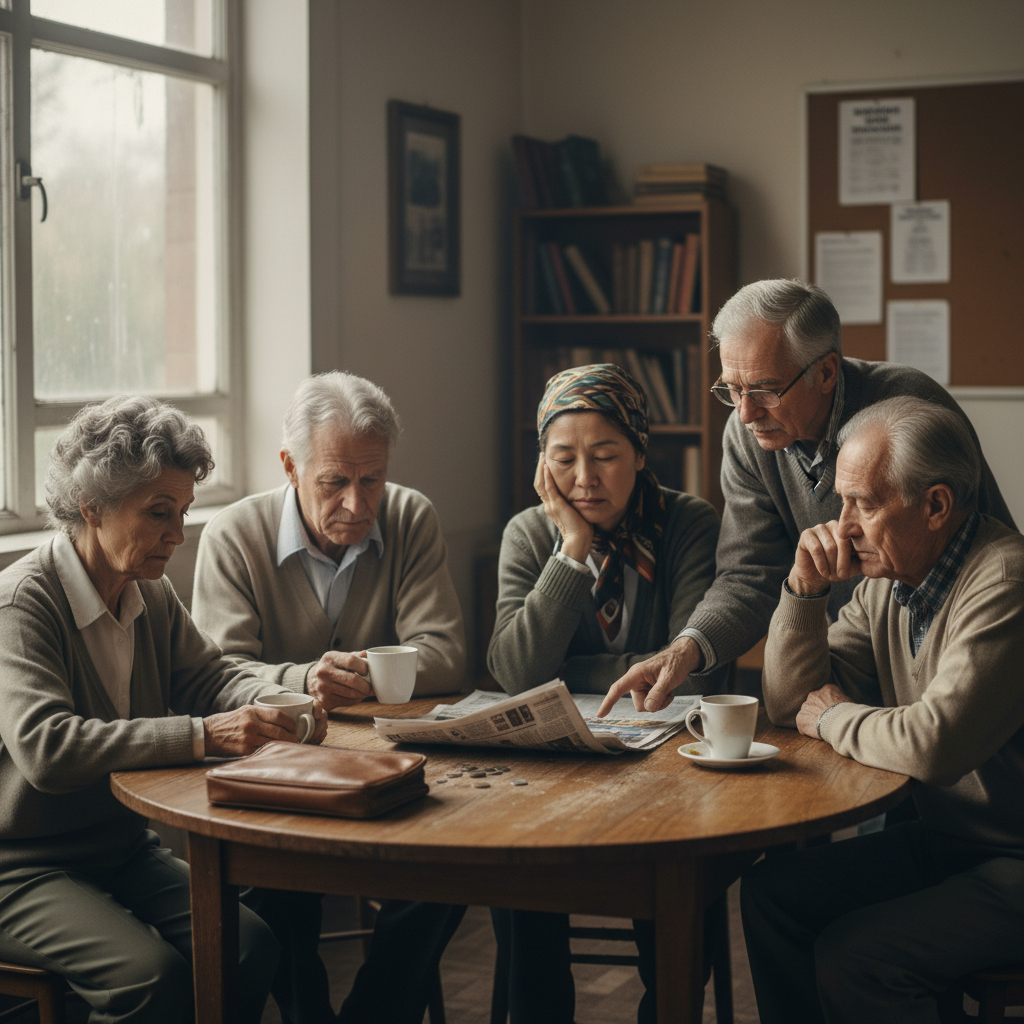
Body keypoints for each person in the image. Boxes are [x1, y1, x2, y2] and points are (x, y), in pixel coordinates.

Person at [0, 396, 329, 1024]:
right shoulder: (20, 604)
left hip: (121, 849)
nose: (177, 535)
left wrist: (277, 703)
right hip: (20, 869)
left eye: (182, 511)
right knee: (151, 980)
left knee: (249, 947)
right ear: (91, 506)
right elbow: (47, 749)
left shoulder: (149, 592)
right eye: (158, 513)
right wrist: (206, 734)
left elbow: (208, 677)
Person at [598, 279, 1015, 715]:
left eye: (765, 389)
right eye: (732, 389)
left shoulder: (908, 405)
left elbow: (974, 553)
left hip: (943, 667)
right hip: (850, 654)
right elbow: (749, 573)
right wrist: (687, 647)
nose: (746, 413)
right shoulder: (747, 434)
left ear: (827, 372)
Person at [192, 370, 467, 1024]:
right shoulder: (233, 534)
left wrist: (362, 674)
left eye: (372, 479)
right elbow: (217, 672)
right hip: (280, 771)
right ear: (290, 466)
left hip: (388, 766)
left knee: (452, 870)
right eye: (334, 481)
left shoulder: (410, 516)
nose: (356, 502)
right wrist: (302, 680)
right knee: (273, 890)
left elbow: (446, 653)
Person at [741, 396, 1024, 1024]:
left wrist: (834, 718)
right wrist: (803, 591)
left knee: (858, 958)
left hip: (1014, 860)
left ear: (936, 506)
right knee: (772, 894)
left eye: (863, 504)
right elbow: (790, 703)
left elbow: (935, 744)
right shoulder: (889, 583)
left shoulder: (1006, 583)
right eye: (840, 502)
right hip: (952, 842)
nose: (841, 527)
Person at [487, 363, 724, 1024]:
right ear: (543, 464)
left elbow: (695, 674)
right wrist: (573, 549)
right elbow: (516, 672)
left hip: (669, 772)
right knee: (517, 871)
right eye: (564, 459)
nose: (585, 478)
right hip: (553, 774)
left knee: (683, 887)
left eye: (606, 455)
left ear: (641, 454)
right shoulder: (529, 534)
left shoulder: (689, 524)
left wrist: (569, 670)